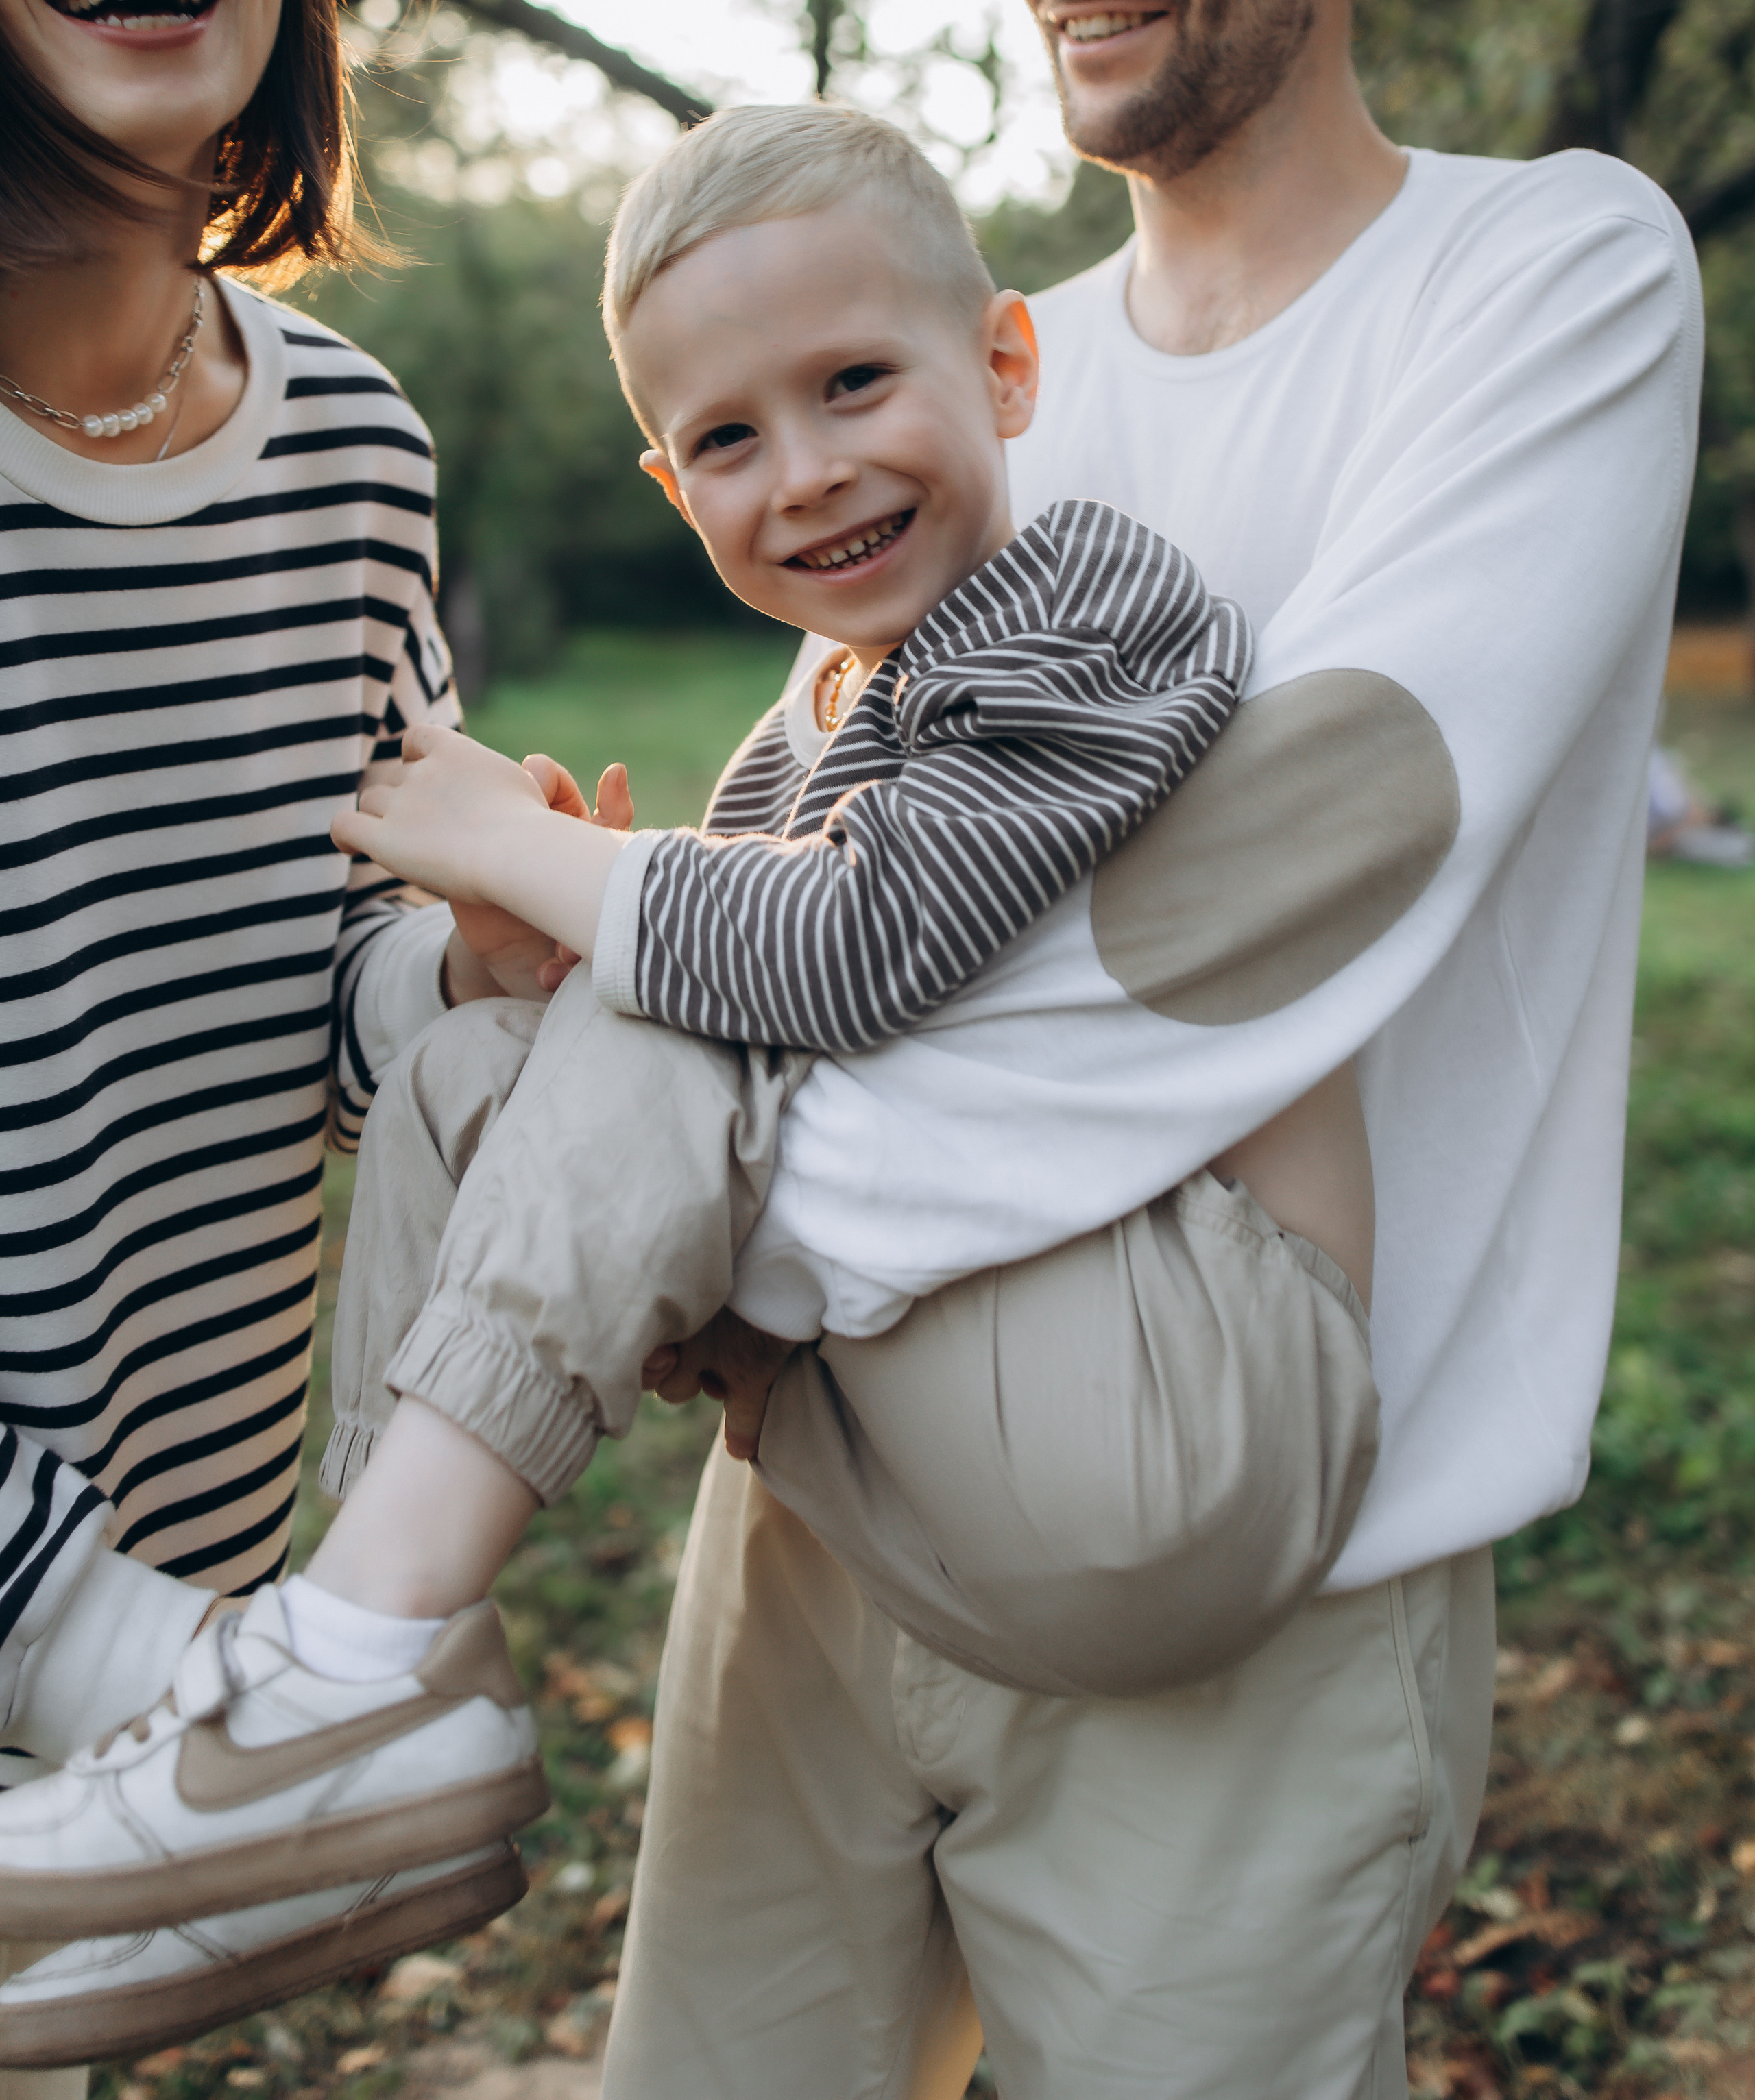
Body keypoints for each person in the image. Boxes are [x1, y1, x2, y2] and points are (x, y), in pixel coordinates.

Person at [568, 0, 1695, 2099]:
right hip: (828, 1516)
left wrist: (712, 1213)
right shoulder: (975, 378)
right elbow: (809, 878)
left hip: (1250, 1552)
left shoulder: (1547, 276)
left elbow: (1284, 876)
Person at [0, 105, 1381, 2061]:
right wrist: (547, 973)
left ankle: (337, 1686)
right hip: (926, 1423)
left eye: (853, 384)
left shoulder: (1092, 604)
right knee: (503, 1050)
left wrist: (539, 856)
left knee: (663, 994)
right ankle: (328, 1671)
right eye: (729, 439)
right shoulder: (794, 725)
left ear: (1003, 363)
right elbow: (705, 1051)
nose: (805, 474)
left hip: (1182, 1389)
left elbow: (855, 948)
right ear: (669, 485)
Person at [0, 0, 569, 2089]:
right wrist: (116, 1646)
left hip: (197, 1562)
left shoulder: (349, 442)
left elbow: (294, 981)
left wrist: (465, 959)